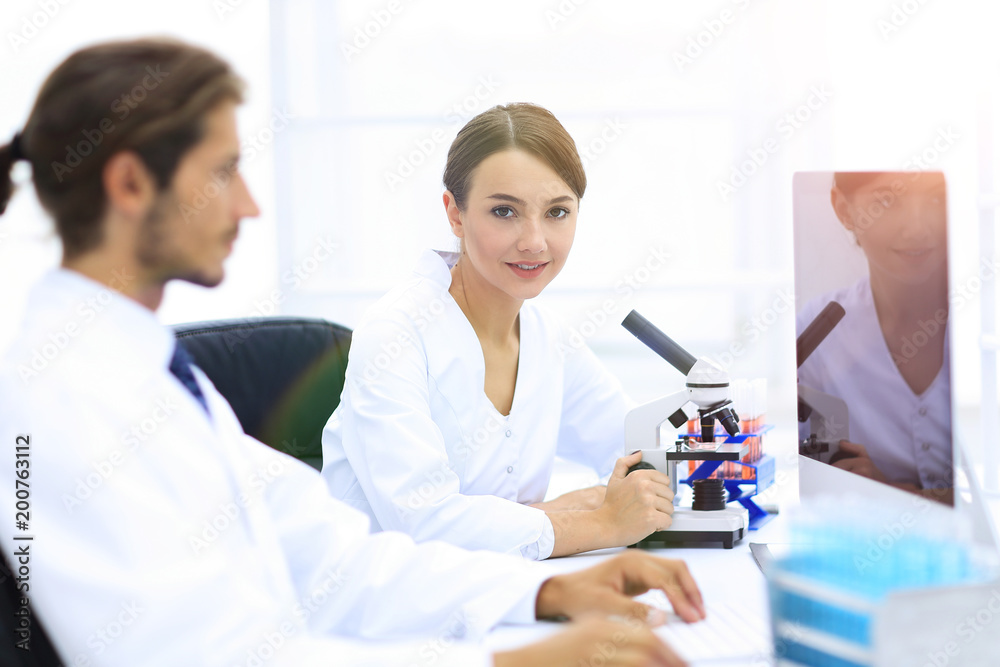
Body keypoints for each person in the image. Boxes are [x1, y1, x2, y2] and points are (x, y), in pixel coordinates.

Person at [0, 38, 705, 667]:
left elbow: (335, 558)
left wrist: (546, 589)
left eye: (556, 210)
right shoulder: (59, 400)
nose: (249, 205)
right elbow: (205, 655)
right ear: (129, 184)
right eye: (223, 172)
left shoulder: (153, 375)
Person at [321, 103, 675, 559]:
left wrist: (561, 513)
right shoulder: (395, 336)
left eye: (557, 212)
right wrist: (598, 521)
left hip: (514, 594)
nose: (534, 241)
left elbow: (636, 450)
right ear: (455, 213)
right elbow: (425, 524)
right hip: (386, 611)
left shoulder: (548, 337)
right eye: (505, 212)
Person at [796, 171, 953, 503]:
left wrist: (890, 494)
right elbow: (803, 475)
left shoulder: (985, 326)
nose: (917, 228)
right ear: (844, 209)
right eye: (886, 201)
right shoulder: (819, 328)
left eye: (938, 199)